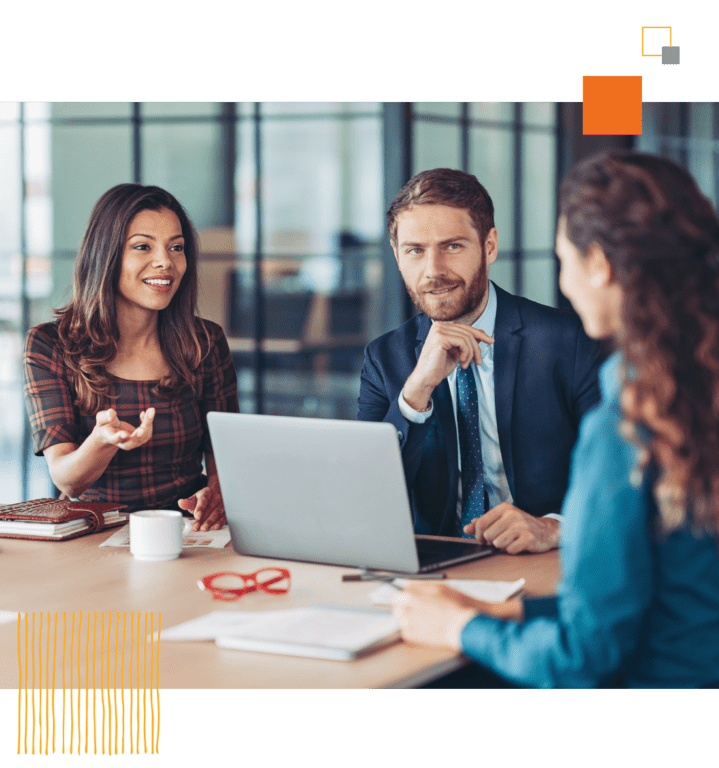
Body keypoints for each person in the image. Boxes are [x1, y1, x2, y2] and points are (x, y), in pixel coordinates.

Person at [392, 151, 719, 688]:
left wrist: (462, 627)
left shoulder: (631, 418)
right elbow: (665, 601)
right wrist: (513, 613)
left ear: (601, 267)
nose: (564, 283)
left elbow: (581, 660)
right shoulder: (692, 388)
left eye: (563, 260)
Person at [358, 168, 603, 553]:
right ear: (397, 255)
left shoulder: (569, 341)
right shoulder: (385, 357)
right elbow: (367, 493)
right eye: (415, 251)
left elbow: (623, 477)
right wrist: (416, 390)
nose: (433, 271)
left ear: (489, 246)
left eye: (452, 246)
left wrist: (556, 528)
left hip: (544, 559)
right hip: (434, 566)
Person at [23, 184, 239, 531]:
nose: (165, 262)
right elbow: (67, 480)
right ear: (105, 254)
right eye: (142, 246)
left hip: (188, 532)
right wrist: (102, 442)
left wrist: (216, 497)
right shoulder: (51, 345)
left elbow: (223, 459)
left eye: (176, 247)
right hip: (93, 531)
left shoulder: (205, 342)